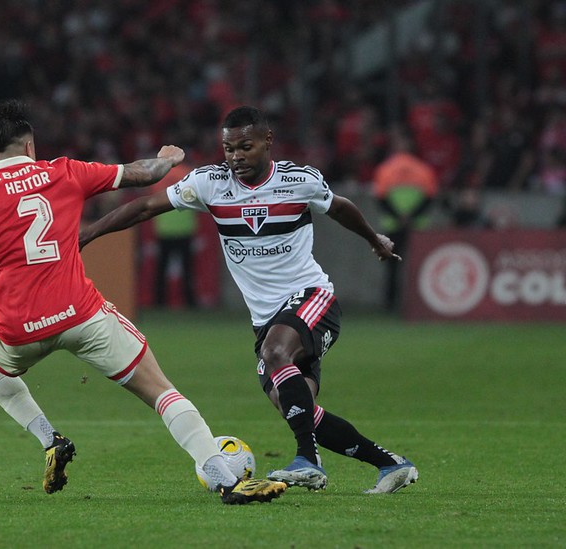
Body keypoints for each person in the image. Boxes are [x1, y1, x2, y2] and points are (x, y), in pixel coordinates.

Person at [0, 99, 286, 505]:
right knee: (161, 392)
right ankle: (227, 480)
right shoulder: (65, 172)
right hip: (82, 317)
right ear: (31, 147)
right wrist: (168, 159)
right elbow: (142, 174)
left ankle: (50, 438)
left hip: (17, 330)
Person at [81, 106, 418, 494]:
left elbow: (339, 207)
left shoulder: (297, 180)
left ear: (267, 142)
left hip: (312, 299)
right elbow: (144, 207)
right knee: (296, 407)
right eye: (228, 149)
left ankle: (308, 462)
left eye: (246, 146)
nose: (236, 156)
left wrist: (375, 239)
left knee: (277, 352)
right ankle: (391, 464)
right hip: (266, 317)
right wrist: (87, 235)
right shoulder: (209, 184)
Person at [373, 126, 439, 311]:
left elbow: (381, 198)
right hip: (412, 223)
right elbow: (429, 197)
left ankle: (394, 304)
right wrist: (410, 216)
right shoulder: (423, 169)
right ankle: (400, 304)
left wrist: (401, 217)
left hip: (399, 223)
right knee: (404, 265)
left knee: (399, 265)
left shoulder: (386, 169)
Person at [150, 163, 199, 308]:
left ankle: (159, 302)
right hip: (185, 229)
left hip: (164, 229)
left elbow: (153, 201)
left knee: (161, 270)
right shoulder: (188, 173)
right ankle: (190, 302)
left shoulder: (159, 174)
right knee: (188, 270)